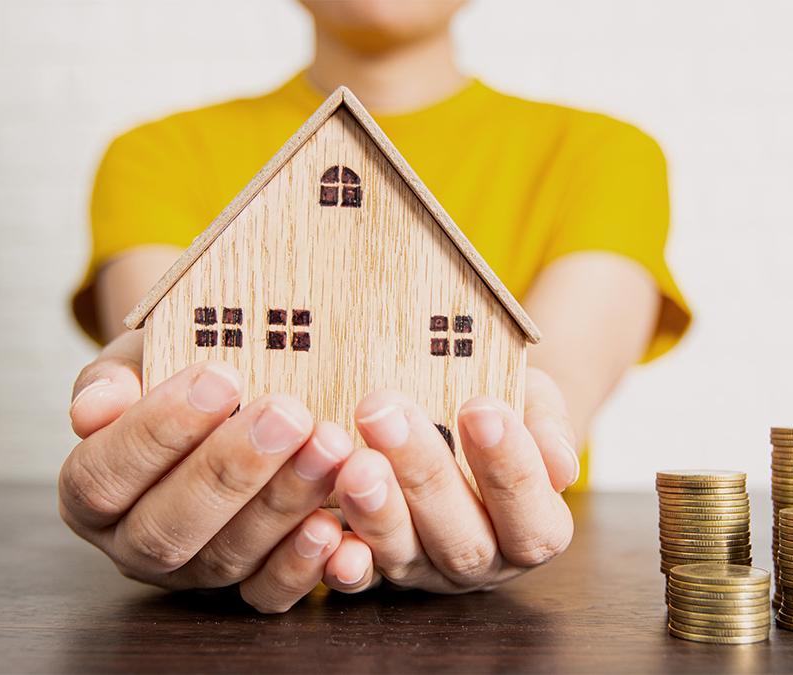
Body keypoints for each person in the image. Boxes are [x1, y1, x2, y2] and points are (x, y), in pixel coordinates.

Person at [61, 0, 690, 613]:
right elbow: (170, 340)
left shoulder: (606, 154)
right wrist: (144, 391)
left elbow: (557, 381)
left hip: (527, 614)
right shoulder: (153, 154)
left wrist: (538, 417)